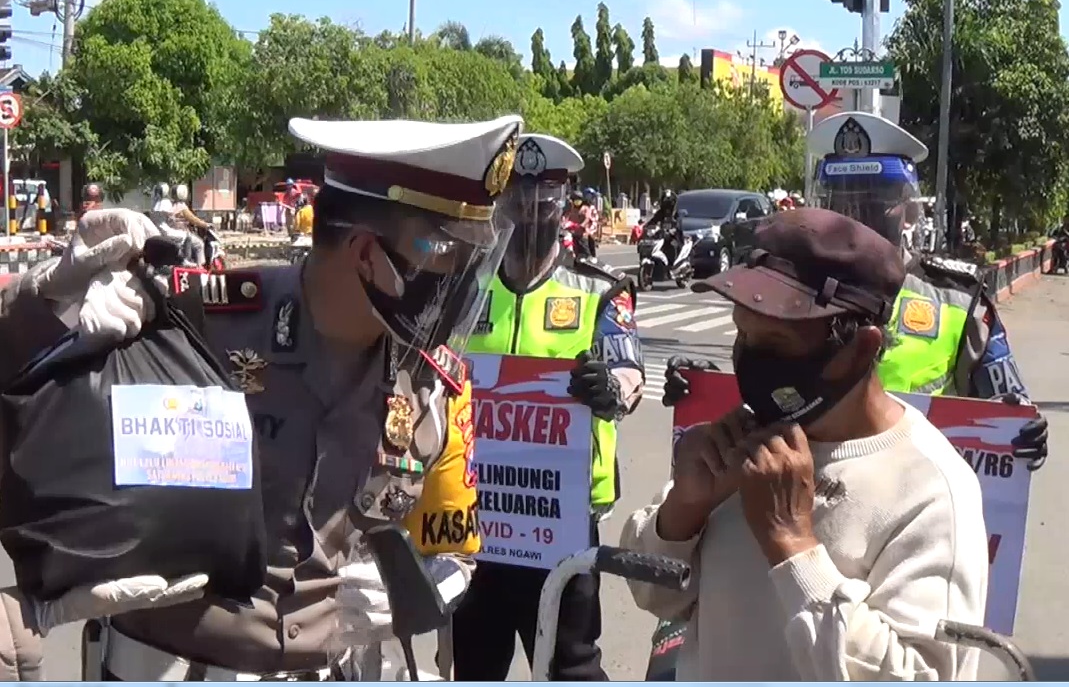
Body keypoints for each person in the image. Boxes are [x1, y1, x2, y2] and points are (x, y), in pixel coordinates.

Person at [0, 114, 524, 680]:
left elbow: (456, 551)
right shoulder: (201, 317)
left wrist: (414, 590)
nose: (466, 282)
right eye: (443, 254)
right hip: (171, 669)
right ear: (368, 254)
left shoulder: (432, 385)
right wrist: (47, 303)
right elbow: (30, 391)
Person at [623, 207, 989, 681]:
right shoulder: (740, 444)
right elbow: (653, 595)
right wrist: (683, 509)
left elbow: (923, 674)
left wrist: (793, 546)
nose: (749, 358)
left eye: (774, 340)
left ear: (860, 348)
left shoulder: (931, 491)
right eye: (742, 332)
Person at [664, 111, 1048, 470]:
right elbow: (776, 388)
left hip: (916, 499)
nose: (855, 217)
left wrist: (1019, 426)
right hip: (798, 491)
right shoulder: (788, 286)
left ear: (909, 209)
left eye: (873, 202)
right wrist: (712, 391)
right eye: (842, 201)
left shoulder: (957, 297)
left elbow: (1007, 399)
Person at [451, 134, 645, 682]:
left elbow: (629, 370)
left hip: (562, 520)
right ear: (500, 203)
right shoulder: (467, 289)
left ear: (566, 205)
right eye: (518, 198)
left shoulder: (598, 290)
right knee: (474, 662)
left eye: (546, 200)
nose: (531, 211)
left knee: (571, 666)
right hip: (476, 512)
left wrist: (611, 387)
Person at [643, 190, 684, 276]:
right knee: (647, 245)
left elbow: (679, 224)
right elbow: (653, 220)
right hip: (662, 235)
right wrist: (646, 226)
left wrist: (674, 230)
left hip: (675, 236)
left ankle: (673, 267)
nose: (667, 204)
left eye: (669, 202)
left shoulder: (677, 213)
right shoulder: (661, 212)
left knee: (673, 246)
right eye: (665, 201)